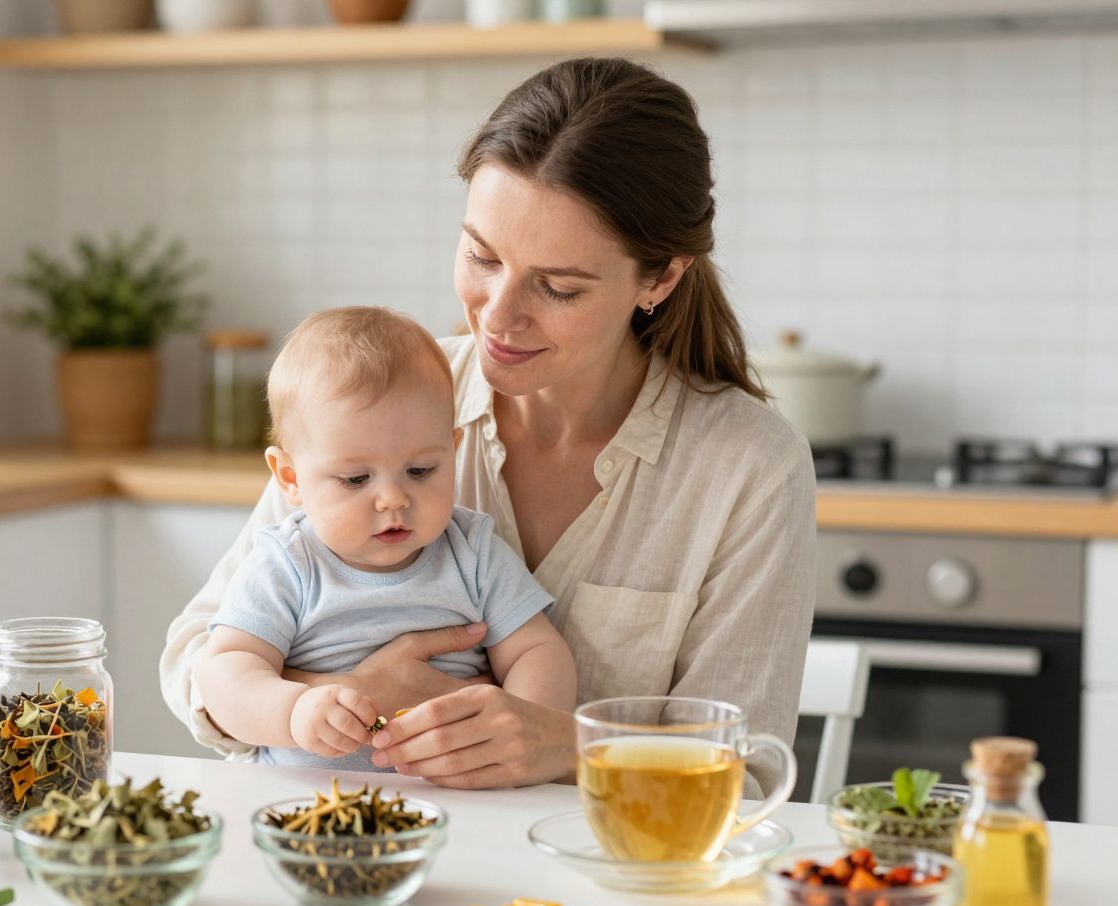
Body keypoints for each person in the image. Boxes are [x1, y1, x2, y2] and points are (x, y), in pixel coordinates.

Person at [161, 57, 816, 795]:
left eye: (557, 286)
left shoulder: (748, 469)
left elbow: (749, 773)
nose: (498, 316)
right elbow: (195, 658)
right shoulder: (380, 404)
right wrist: (347, 695)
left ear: (660, 278)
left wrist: (568, 746)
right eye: (481, 255)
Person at [195, 306, 577, 773]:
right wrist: (293, 711)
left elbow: (538, 651)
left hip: (460, 800)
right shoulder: (287, 562)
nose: (393, 499)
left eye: (421, 471)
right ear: (290, 478)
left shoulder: (472, 550)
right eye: (356, 479)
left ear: (453, 451)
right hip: (307, 808)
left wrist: (522, 726)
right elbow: (224, 671)